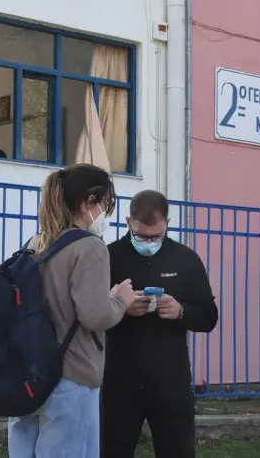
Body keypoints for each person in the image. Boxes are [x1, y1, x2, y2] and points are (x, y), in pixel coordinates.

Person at [8, 164, 138, 458]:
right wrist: (120, 300)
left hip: (28, 376)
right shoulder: (89, 246)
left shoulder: (36, 242)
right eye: (106, 204)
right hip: (71, 377)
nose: (106, 212)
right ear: (90, 202)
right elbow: (95, 316)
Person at [101, 190, 218, 458]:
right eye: (142, 236)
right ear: (129, 222)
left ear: (167, 223)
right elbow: (92, 317)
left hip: (170, 380)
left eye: (156, 236)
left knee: (177, 450)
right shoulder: (109, 257)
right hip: (119, 379)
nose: (149, 242)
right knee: (112, 450)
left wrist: (181, 311)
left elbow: (209, 316)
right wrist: (121, 309)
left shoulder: (185, 259)